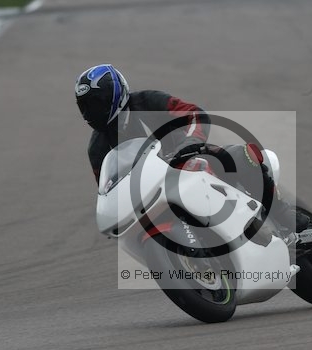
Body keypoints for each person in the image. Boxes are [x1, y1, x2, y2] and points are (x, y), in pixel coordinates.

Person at [74, 64, 300, 232]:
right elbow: (110, 190)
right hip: (153, 193)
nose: (90, 112)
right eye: (85, 107)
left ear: (114, 95)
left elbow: (195, 114)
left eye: (96, 103)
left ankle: (284, 215)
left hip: (188, 159)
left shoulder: (148, 102)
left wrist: (189, 143)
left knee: (240, 156)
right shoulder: (97, 150)